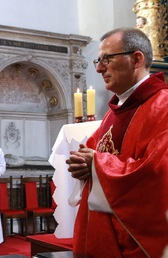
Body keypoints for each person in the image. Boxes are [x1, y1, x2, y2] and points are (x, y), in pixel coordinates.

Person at [66, 27, 168, 257]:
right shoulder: (116, 111)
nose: (100, 68)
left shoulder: (163, 107)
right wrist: (83, 164)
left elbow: (159, 176)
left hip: (135, 241)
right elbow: (92, 153)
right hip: (103, 231)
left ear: (136, 59)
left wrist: (97, 165)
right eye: (98, 60)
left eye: (106, 59)